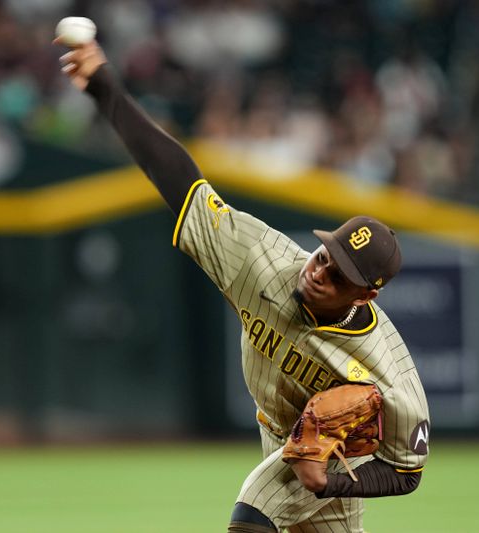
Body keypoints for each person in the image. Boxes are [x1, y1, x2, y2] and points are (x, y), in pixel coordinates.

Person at [55, 37, 430, 533]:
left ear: (365, 296)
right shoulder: (262, 260)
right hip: (277, 434)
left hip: (335, 458)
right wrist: (106, 88)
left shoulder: (389, 376)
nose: (319, 271)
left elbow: (407, 472)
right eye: (324, 254)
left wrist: (331, 482)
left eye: (338, 275)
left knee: (250, 520)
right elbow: (180, 181)